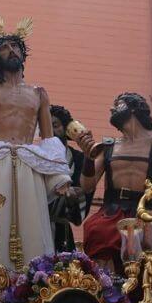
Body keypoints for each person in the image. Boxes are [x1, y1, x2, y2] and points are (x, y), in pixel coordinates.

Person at [0, 14, 72, 288]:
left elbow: (47, 138)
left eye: (16, 46)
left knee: (33, 226)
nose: (12, 51)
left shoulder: (39, 93)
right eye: (5, 48)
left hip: (28, 164)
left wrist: (59, 179)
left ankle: (32, 288)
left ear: (23, 53)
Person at [76, 93, 152, 272]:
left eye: (118, 105)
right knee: (97, 230)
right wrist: (88, 158)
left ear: (134, 108)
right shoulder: (109, 146)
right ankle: (108, 291)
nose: (111, 109)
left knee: (145, 245)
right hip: (112, 211)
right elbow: (87, 186)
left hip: (145, 213)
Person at [48, 104, 93, 252]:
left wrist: (73, 195)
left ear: (66, 128)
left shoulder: (79, 158)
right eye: (46, 126)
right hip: (39, 227)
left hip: (63, 232)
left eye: (55, 125)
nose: (52, 131)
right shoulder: (37, 157)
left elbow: (85, 192)